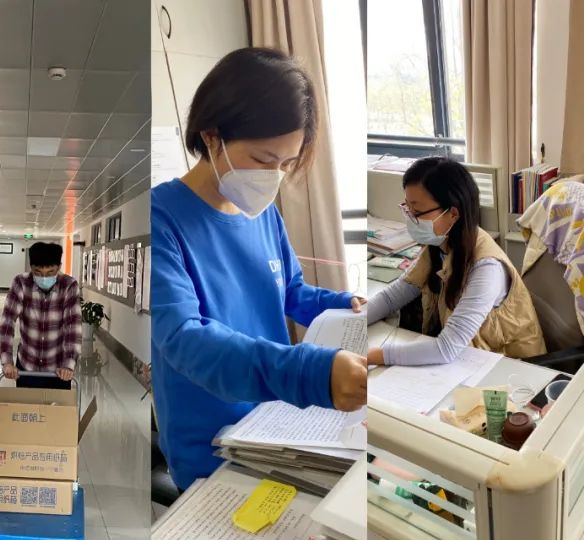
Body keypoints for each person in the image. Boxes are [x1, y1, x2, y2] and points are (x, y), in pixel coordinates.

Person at [151, 48, 367, 491]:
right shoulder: (159, 219)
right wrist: (310, 373)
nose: (274, 176)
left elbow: (291, 293)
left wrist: (349, 306)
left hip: (276, 425)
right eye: (264, 160)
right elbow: (184, 339)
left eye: (286, 164)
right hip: (212, 449)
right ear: (212, 136)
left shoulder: (262, 212)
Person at [367, 156, 545, 365]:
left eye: (417, 212)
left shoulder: (487, 268)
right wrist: (354, 320)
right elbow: (392, 298)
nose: (410, 219)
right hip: (470, 358)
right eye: (408, 209)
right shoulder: (440, 245)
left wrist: (372, 356)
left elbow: (446, 348)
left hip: (513, 369)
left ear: (452, 214)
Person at [0, 242, 82, 390]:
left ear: (59, 267)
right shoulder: (21, 283)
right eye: (37, 272)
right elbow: (7, 322)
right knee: (26, 405)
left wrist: (69, 364)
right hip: (27, 365)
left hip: (58, 369)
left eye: (50, 272)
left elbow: (73, 327)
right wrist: (7, 362)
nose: (44, 277)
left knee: (58, 406)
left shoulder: (69, 285)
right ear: (31, 267)